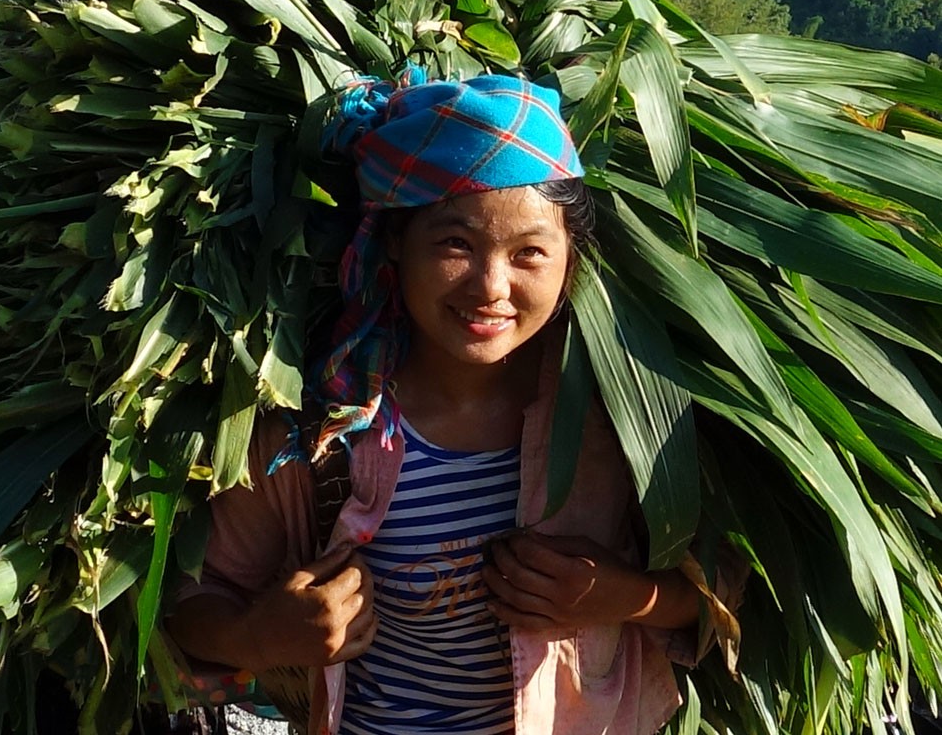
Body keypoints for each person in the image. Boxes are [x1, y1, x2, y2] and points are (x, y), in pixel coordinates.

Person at [167, 67, 735, 735]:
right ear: (394, 245)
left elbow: (727, 605)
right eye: (455, 244)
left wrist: (628, 597)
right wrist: (259, 638)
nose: (492, 286)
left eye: (530, 253)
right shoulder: (317, 428)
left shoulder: (624, 420)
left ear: (571, 264)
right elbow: (190, 605)